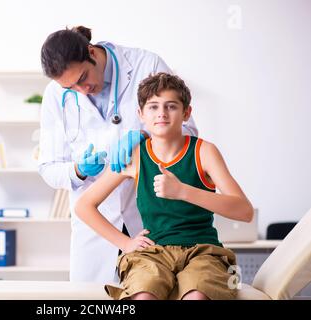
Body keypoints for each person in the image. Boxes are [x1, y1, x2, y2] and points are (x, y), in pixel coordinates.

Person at [38, 26, 198, 283]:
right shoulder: (56, 95)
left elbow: (188, 132)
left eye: (83, 77)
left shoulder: (147, 65)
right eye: (71, 87)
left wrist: (146, 137)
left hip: (150, 214)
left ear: (91, 52)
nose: (82, 89)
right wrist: (78, 170)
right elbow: (48, 167)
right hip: (94, 228)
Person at [75, 72, 253, 300]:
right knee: (143, 296)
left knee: (197, 297)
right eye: (153, 107)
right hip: (152, 253)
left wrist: (183, 191)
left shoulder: (204, 152)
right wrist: (126, 243)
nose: (161, 113)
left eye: (171, 106)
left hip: (203, 251)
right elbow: (84, 206)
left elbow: (244, 211)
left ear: (186, 113)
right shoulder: (136, 156)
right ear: (140, 114)